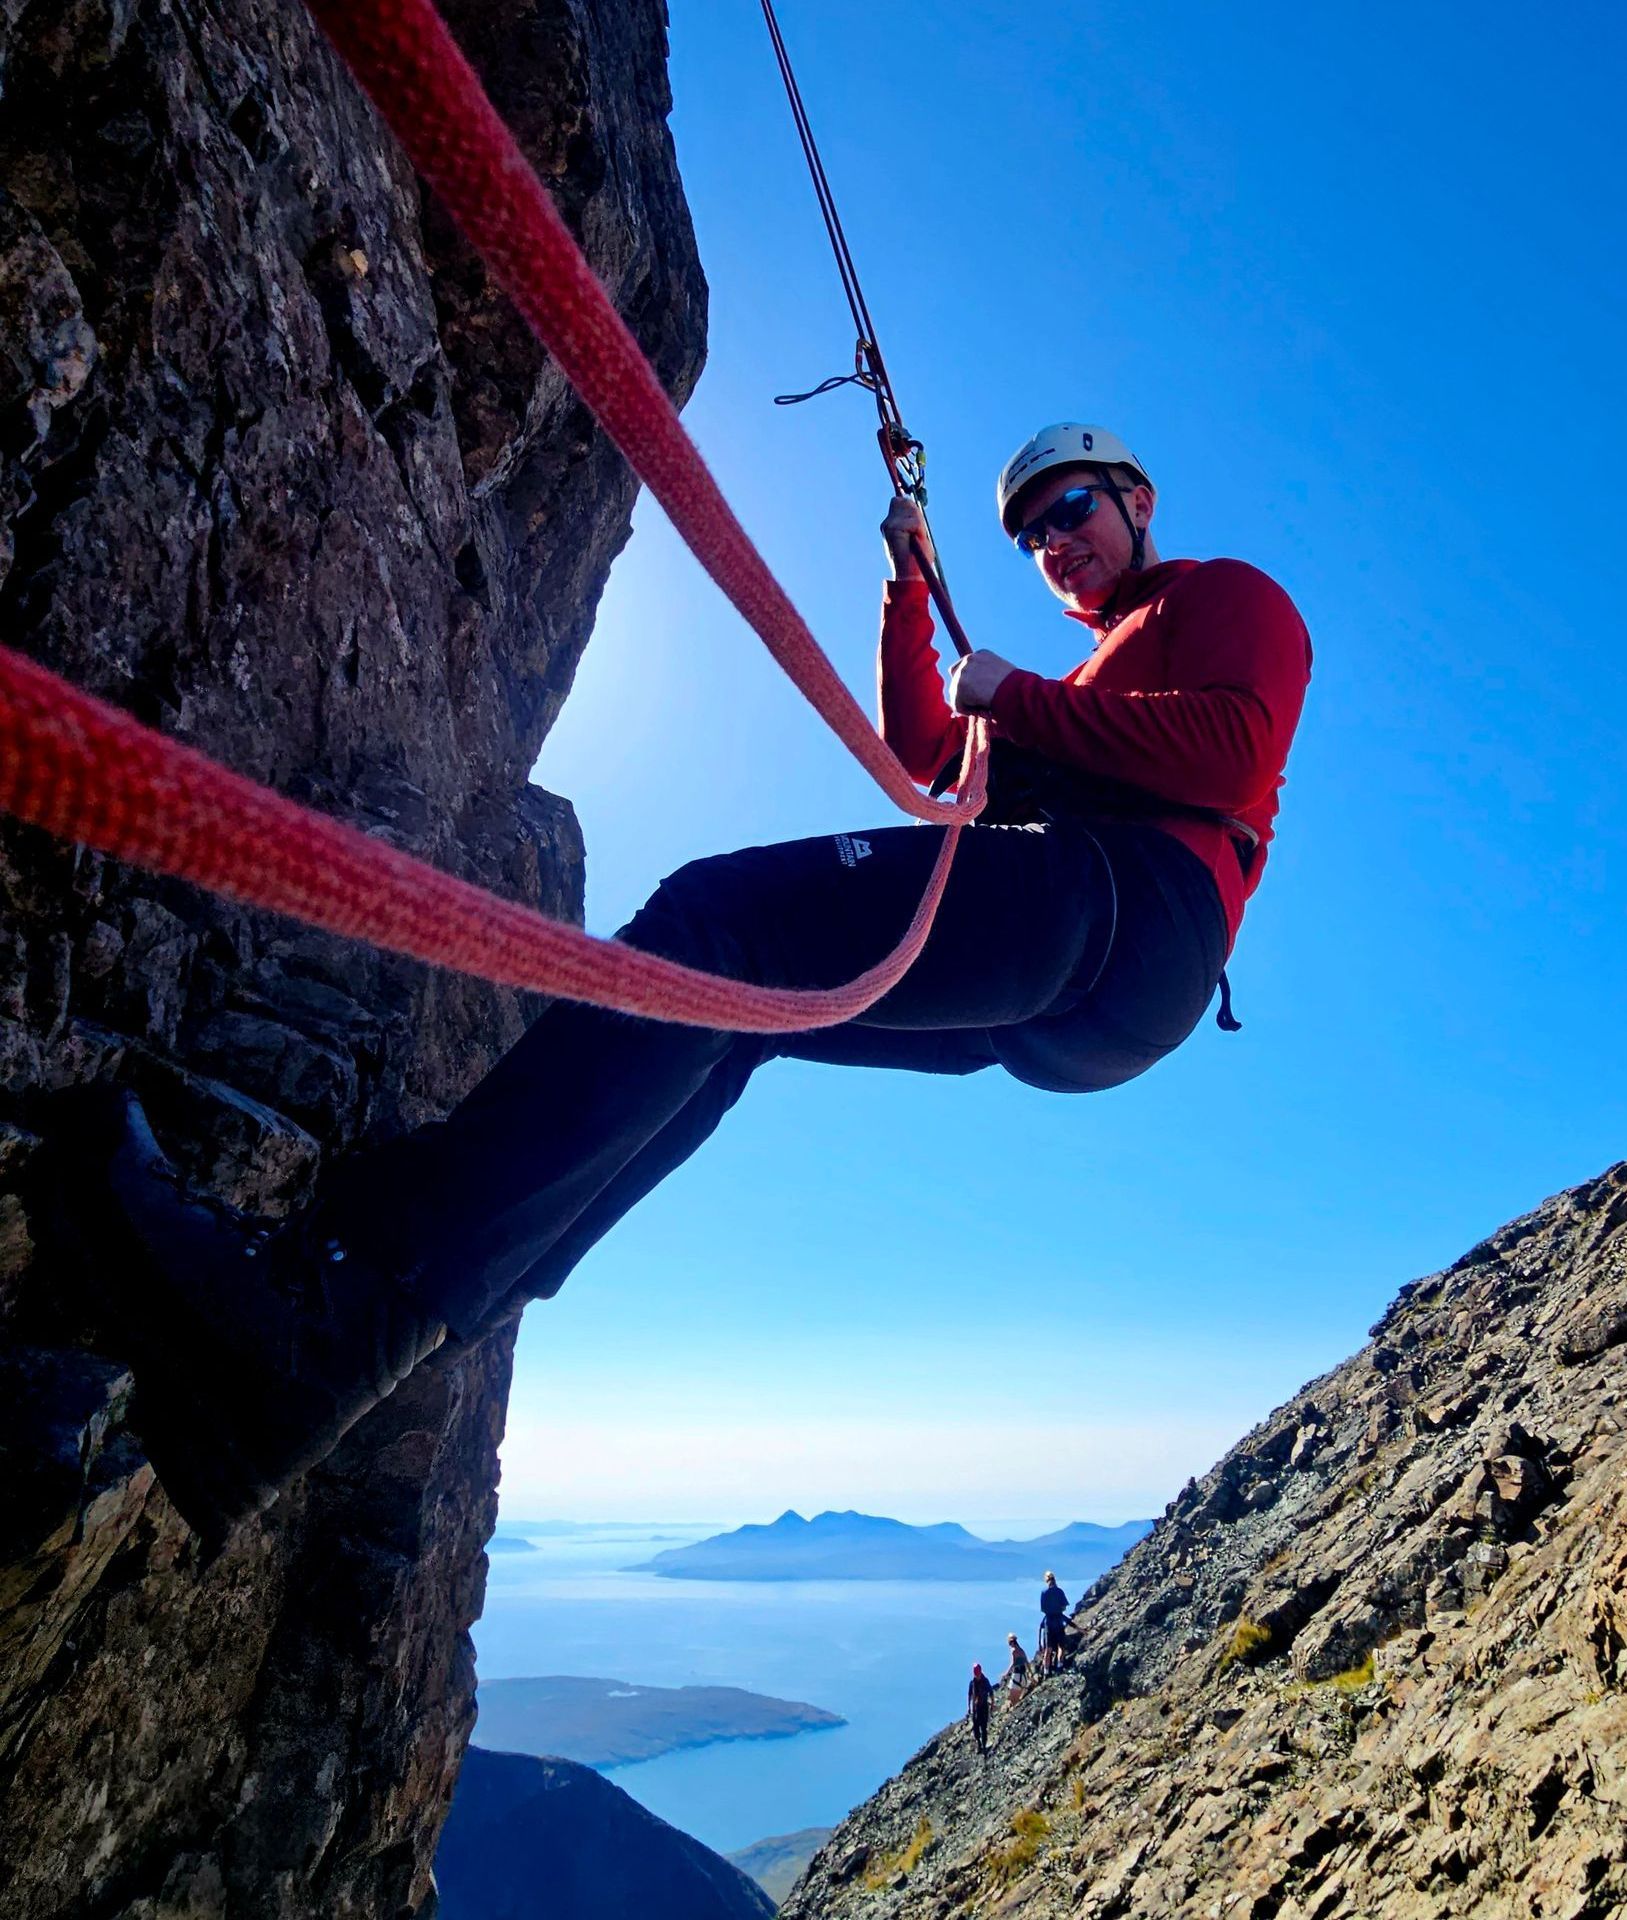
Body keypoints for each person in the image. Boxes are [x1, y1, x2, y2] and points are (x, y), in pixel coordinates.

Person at [79, 423, 1315, 1545]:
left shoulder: (1221, 599)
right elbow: (925, 757)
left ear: (1140, 498)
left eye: (1075, 508)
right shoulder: (1085, 681)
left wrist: (1019, 697)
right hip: (1095, 980)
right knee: (735, 1017)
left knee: (717, 924)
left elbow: (1234, 749)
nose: (1056, 542)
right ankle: (397, 1326)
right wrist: (906, 589)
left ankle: (338, 1306)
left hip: (1133, 904)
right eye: (1036, 531)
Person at [1039, 1571, 1072, 1675]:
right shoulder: (1059, 1591)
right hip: (1058, 1620)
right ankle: (1059, 1667)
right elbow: (1064, 1606)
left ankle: (1046, 1671)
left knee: (1048, 1649)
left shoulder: (1044, 1592)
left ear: (1046, 1580)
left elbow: (1043, 1608)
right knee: (1061, 1646)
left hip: (1048, 1621)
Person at [967, 1663, 994, 1755]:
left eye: (977, 1673)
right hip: (976, 1709)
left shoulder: (985, 1681)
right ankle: (979, 1743)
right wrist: (969, 1708)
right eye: (976, 1673)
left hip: (984, 1707)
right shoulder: (972, 1683)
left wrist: (992, 1705)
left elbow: (991, 1692)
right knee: (976, 1727)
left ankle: (984, 1745)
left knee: (983, 1727)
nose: (977, 1675)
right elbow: (970, 1696)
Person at [1002, 1632, 1033, 1701]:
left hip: (1017, 1676)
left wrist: (1006, 1673)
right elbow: (1027, 1662)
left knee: (1012, 1698)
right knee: (1017, 1698)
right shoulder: (1021, 1650)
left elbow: (1013, 1663)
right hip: (1024, 1677)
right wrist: (1031, 1673)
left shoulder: (1013, 1650)